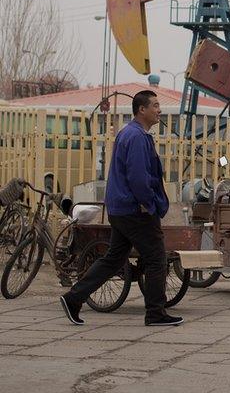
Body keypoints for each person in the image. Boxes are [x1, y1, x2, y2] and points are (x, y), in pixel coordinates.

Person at [60, 90, 182, 327]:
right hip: (135, 209)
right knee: (157, 258)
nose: (159, 110)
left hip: (120, 208)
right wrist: (148, 204)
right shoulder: (136, 137)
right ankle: (156, 313)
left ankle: (73, 298)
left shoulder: (132, 134)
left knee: (114, 258)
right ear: (141, 110)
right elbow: (138, 177)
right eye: (155, 106)